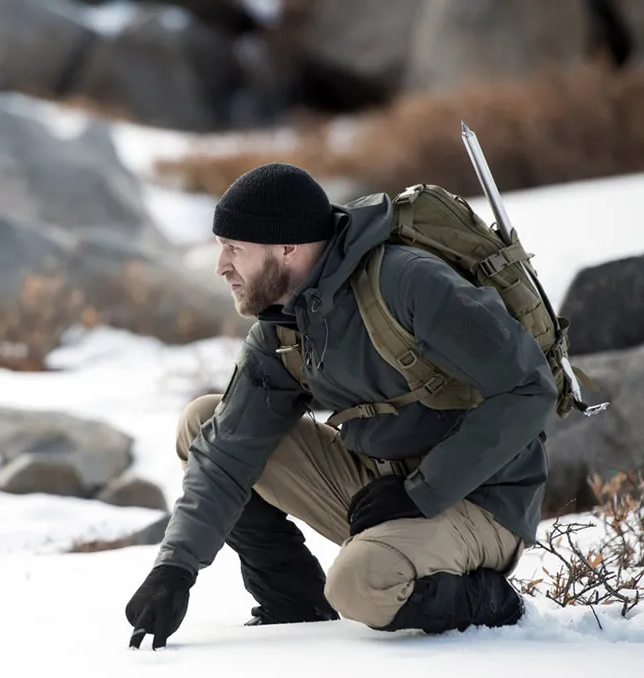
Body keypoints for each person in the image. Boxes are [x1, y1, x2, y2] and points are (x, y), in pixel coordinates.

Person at [125, 162, 557, 649]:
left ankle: (496, 602)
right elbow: (226, 452)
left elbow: (529, 389)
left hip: (480, 500)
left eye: (234, 249)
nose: (221, 265)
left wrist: (424, 490)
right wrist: (175, 569)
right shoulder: (282, 326)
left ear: (287, 247)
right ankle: (292, 601)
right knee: (202, 423)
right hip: (382, 493)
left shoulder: (410, 283)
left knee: (361, 585)